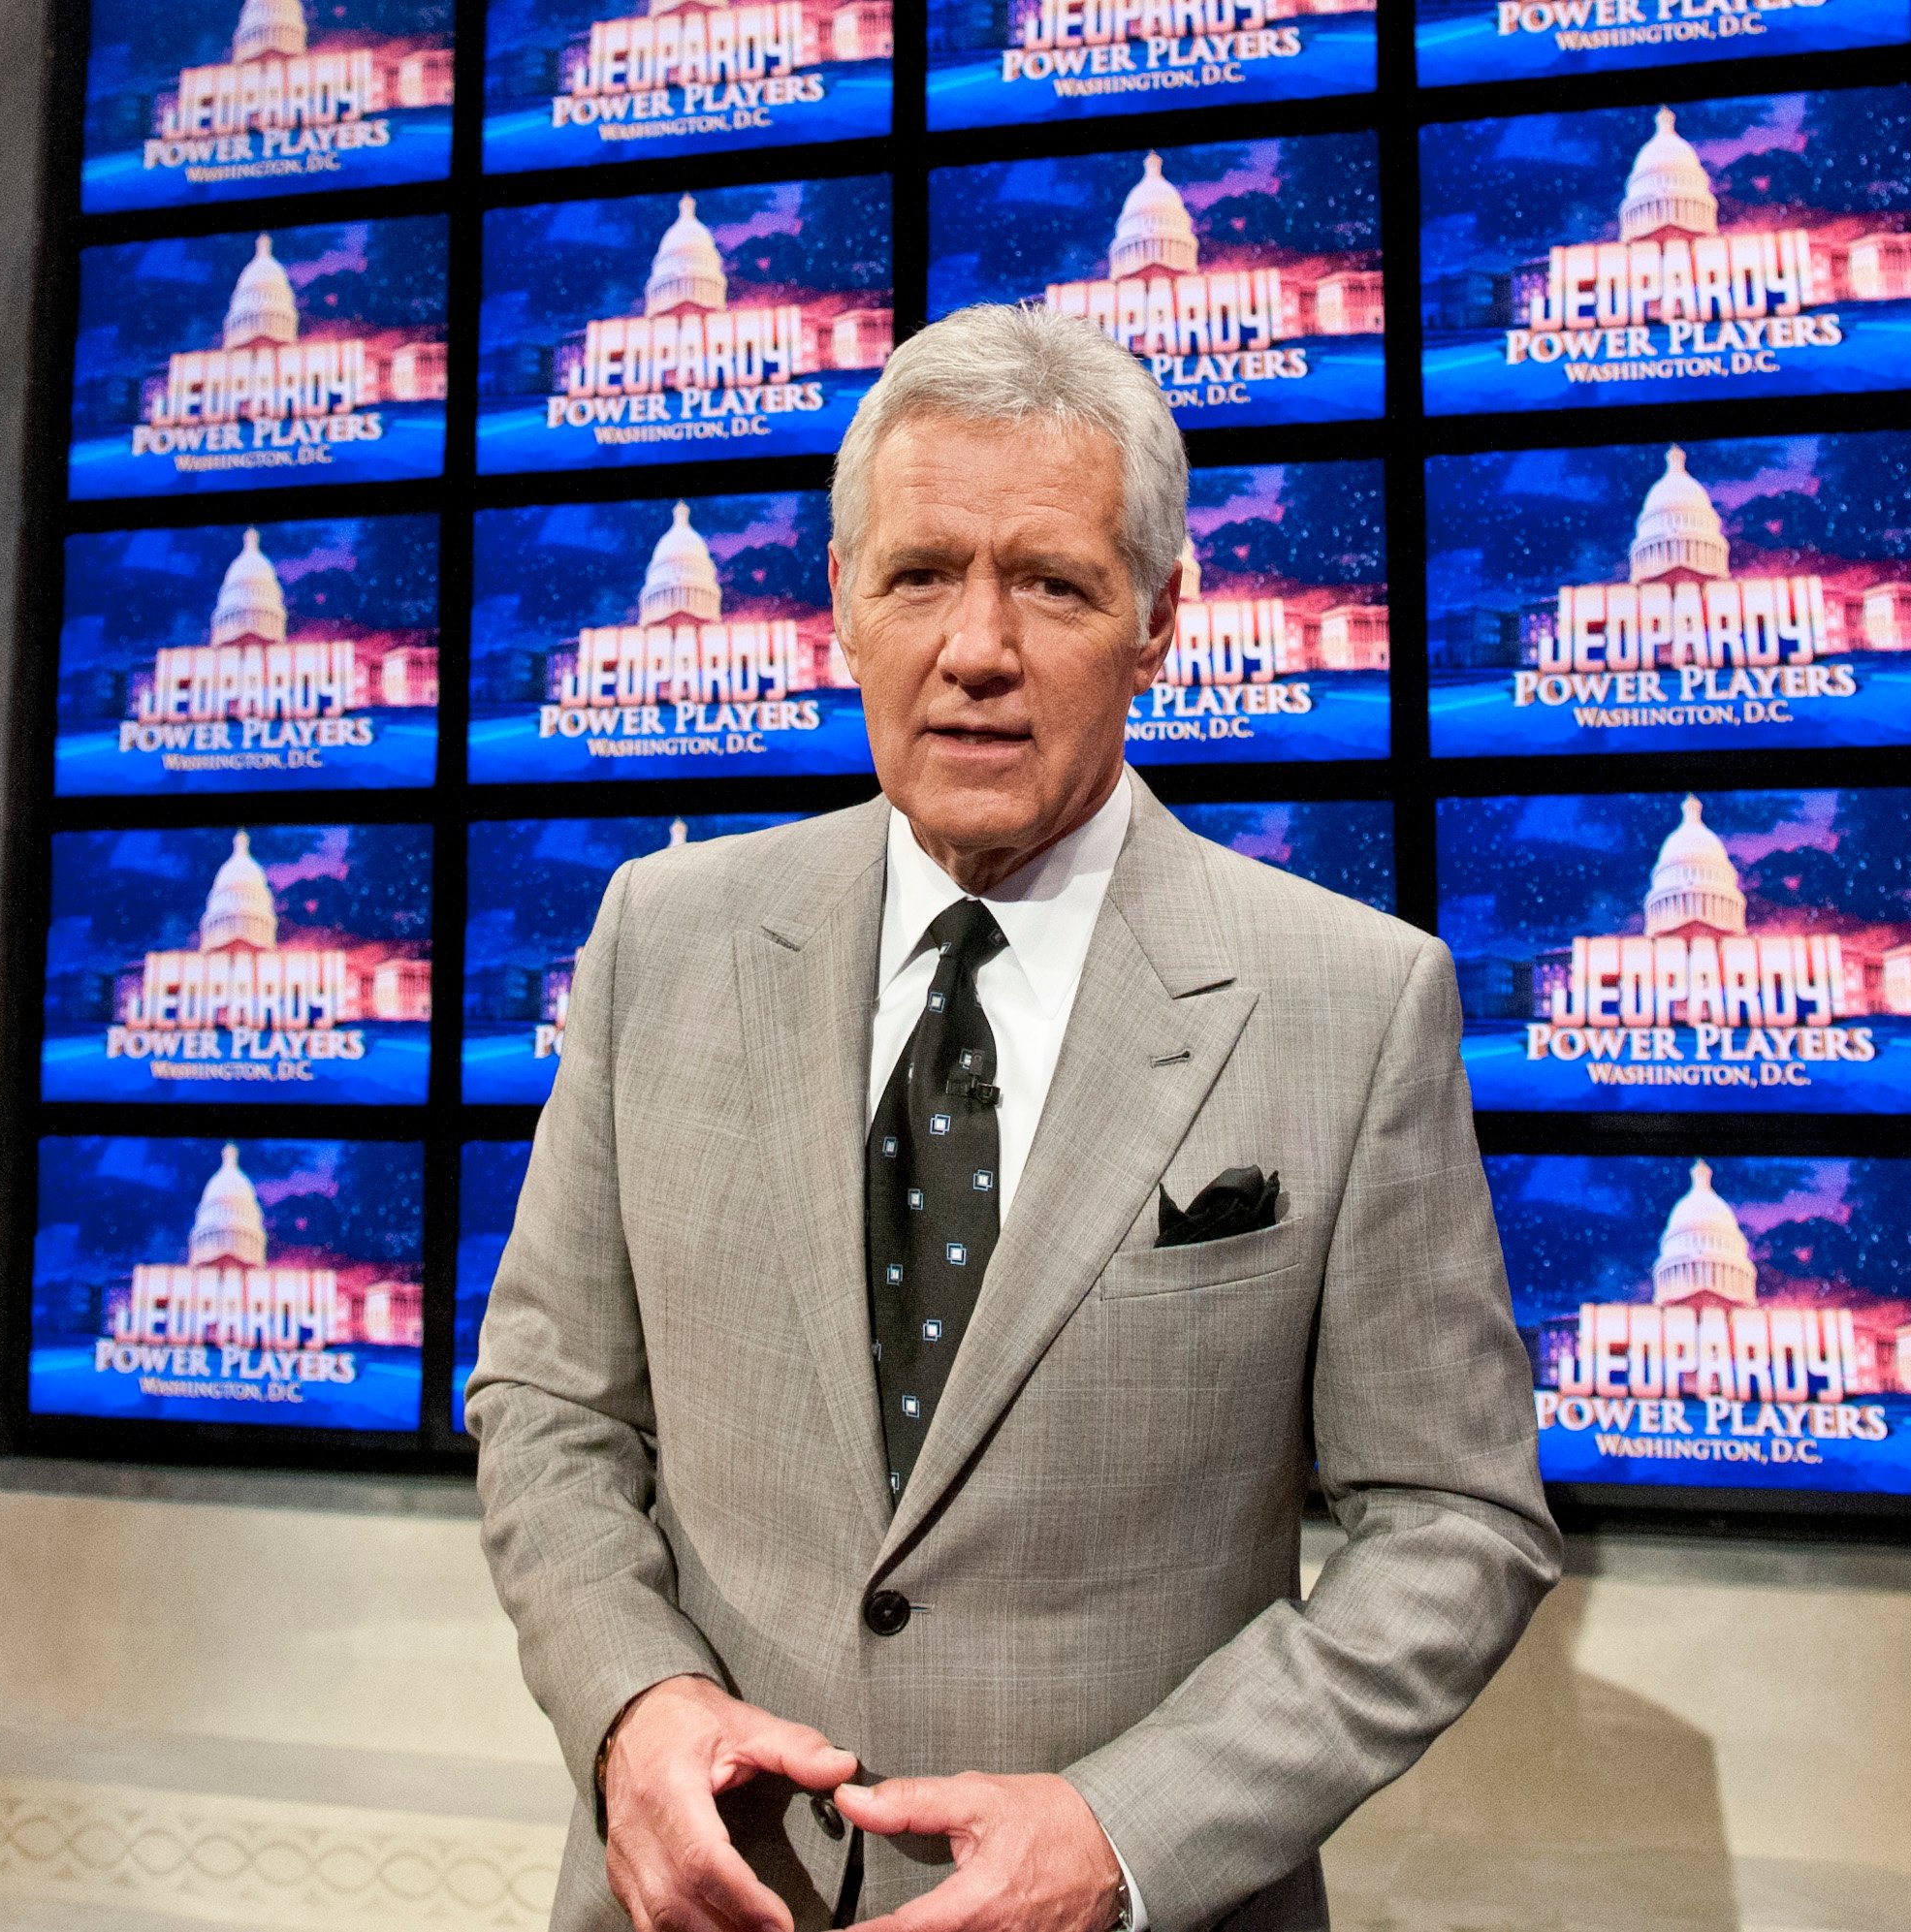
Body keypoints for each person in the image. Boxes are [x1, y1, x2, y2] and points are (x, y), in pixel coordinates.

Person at [469, 303, 1561, 1932]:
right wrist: (632, 1701)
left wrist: (1125, 1833)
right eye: (920, 574)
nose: (977, 646)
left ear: (1161, 617)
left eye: (1051, 583)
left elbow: (1458, 1525)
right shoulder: (661, 934)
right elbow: (550, 1400)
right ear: (842, 602)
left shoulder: (1353, 1000)